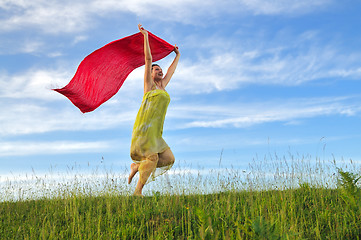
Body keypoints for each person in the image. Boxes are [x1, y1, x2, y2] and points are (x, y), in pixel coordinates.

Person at [128, 24, 180, 196]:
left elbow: (171, 72)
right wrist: (145, 36)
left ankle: (137, 166)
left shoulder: (162, 86)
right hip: (144, 129)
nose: (160, 70)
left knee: (168, 158)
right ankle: (138, 192)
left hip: (156, 133)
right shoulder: (149, 86)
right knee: (153, 158)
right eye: (157, 69)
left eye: (160, 69)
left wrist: (177, 55)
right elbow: (148, 60)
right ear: (150, 74)